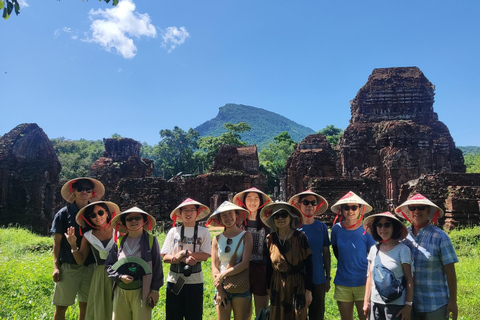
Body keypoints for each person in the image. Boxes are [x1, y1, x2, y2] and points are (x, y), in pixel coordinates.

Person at [395, 194, 458, 320]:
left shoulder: (440, 237)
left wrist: (453, 301)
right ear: (409, 212)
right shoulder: (403, 237)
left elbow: (450, 271)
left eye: (421, 208)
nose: (416, 211)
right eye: (412, 208)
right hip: (410, 304)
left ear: (428, 211)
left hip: (435, 302)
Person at [50, 177, 105, 320]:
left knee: (86, 306)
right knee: (61, 306)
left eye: (88, 189)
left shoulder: (95, 213)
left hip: (91, 265)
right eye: (80, 188)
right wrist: (56, 266)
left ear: (92, 192)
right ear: (73, 191)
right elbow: (57, 242)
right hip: (69, 265)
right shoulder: (63, 214)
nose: (84, 192)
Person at [64, 200, 120, 320]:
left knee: (118, 306)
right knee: (100, 307)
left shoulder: (119, 231)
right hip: (100, 275)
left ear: (107, 213)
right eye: (93, 215)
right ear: (89, 219)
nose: (98, 217)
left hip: (119, 273)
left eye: (100, 213)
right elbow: (80, 260)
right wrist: (73, 245)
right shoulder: (88, 236)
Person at [106, 206, 164, 320]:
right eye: (129, 219)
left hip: (142, 292)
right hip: (121, 291)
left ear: (144, 221)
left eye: (137, 218)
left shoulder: (151, 241)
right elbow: (109, 265)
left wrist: (155, 290)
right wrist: (119, 276)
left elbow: (157, 266)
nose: (133, 221)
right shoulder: (119, 242)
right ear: (124, 223)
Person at [260, 201, 313, 320]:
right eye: (276, 216)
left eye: (284, 215)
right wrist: (268, 287)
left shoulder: (300, 237)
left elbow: (309, 264)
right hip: (277, 285)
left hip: (297, 283)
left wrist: (308, 290)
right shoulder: (270, 239)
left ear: (290, 217)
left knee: (297, 315)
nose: (280, 218)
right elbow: (269, 265)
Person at [161, 198, 212, 320]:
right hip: (174, 280)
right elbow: (165, 256)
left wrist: (186, 253)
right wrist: (179, 258)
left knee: (194, 316)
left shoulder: (204, 232)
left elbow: (205, 255)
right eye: (185, 210)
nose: (188, 213)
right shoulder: (173, 232)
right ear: (180, 213)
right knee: (173, 316)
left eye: (192, 210)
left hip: (195, 281)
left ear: (197, 212)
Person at [330, 191, 376, 320]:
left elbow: (373, 255)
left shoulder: (367, 230)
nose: (350, 211)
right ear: (342, 210)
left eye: (354, 207)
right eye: (347, 208)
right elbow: (337, 251)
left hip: (363, 282)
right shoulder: (336, 229)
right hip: (343, 282)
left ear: (360, 209)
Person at [362, 212, 414, 320]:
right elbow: (370, 277)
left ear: (394, 227)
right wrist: (366, 301)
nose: (383, 229)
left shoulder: (403, 250)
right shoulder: (374, 250)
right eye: (379, 225)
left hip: (396, 305)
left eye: (387, 225)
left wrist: (408, 305)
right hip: (375, 303)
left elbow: (409, 278)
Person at [289, 190, 331, 320]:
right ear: (299, 205)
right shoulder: (292, 228)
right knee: (298, 315)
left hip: (318, 277)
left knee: (317, 315)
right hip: (298, 278)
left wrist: (328, 277)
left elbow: (326, 254)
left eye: (313, 203)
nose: (309, 206)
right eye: (306, 202)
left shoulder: (322, 227)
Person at [207, 201, 253, 320]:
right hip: (221, 286)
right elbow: (215, 266)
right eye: (224, 215)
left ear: (236, 215)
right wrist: (219, 290)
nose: (228, 218)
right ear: (220, 219)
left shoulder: (246, 236)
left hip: (240, 284)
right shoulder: (216, 239)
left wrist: (223, 275)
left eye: (230, 213)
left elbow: (244, 263)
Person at [232, 187, 272, 317]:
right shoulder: (238, 223)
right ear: (244, 201)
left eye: (256, 198)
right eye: (249, 198)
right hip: (242, 270)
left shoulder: (268, 223)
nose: (252, 202)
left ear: (261, 202)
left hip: (262, 270)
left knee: (261, 312)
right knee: (244, 313)